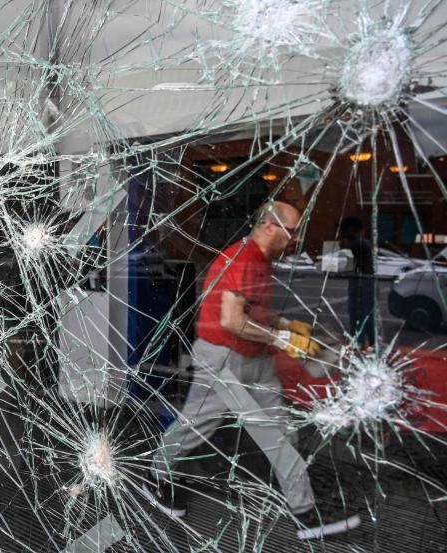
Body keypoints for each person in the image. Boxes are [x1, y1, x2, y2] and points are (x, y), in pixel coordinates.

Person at [140, 201, 361, 540]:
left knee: (281, 431)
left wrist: (286, 326)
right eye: (292, 231)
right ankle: (156, 476)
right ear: (270, 227)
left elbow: (253, 314)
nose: (296, 239)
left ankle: (304, 512)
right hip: (224, 360)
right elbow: (232, 320)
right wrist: (284, 337)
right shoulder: (242, 258)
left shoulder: (261, 261)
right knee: (199, 428)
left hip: (256, 360)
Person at [338, 216, 375, 348]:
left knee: (358, 313)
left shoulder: (355, 244)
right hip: (366, 281)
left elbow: (349, 267)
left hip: (360, 282)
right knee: (367, 312)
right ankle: (371, 341)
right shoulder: (363, 243)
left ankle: (358, 342)